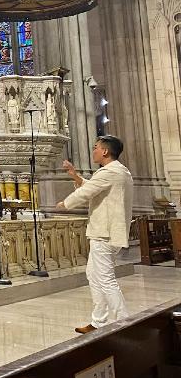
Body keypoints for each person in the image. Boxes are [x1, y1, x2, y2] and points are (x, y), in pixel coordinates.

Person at [56, 136, 134, 334]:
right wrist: (76, 176)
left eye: (96, 148)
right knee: (93, 274)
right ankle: (98, 321)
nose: (94, 151)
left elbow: (87, 192)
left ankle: (124, 323)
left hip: (104, 234)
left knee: (106, 279)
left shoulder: (109, 172)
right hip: (107, 232)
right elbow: (95, 186)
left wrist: (65, 203)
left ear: (105, 152)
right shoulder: (119, 171)